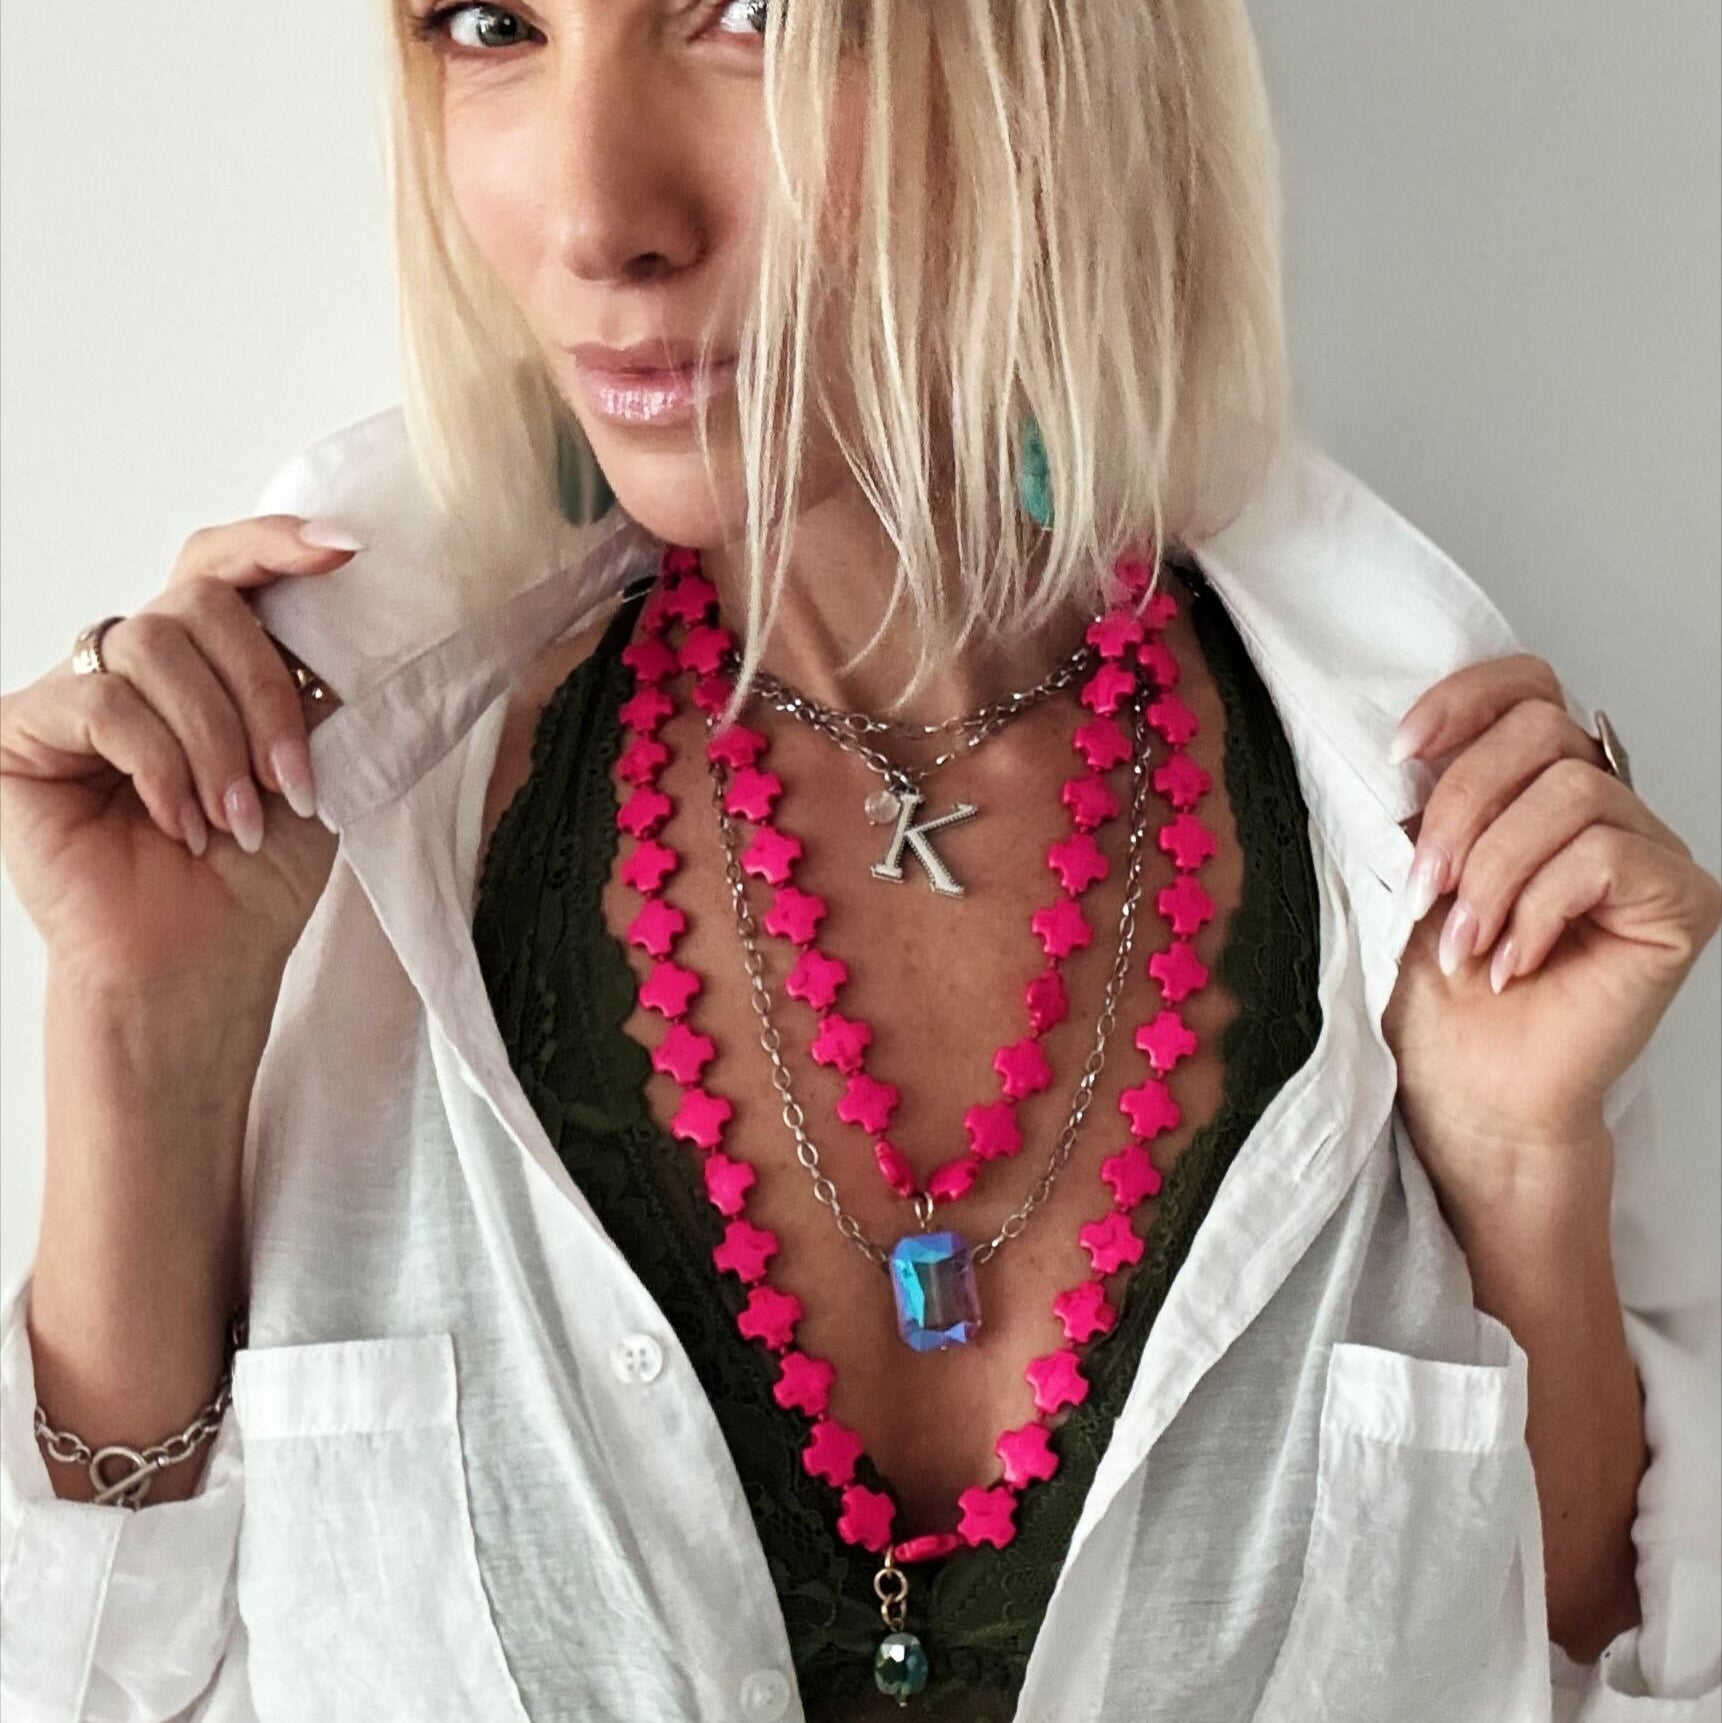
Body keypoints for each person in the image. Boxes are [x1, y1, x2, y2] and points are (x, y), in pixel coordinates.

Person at [0, 1, 1717, 1719]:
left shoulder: (1401, 826)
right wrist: (147, 1043)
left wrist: (1512, 1163)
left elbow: (1574, 1674)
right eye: (491, 23)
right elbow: (91, 1693)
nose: (600, 221)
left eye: (750, 19)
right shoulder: (320, 801)